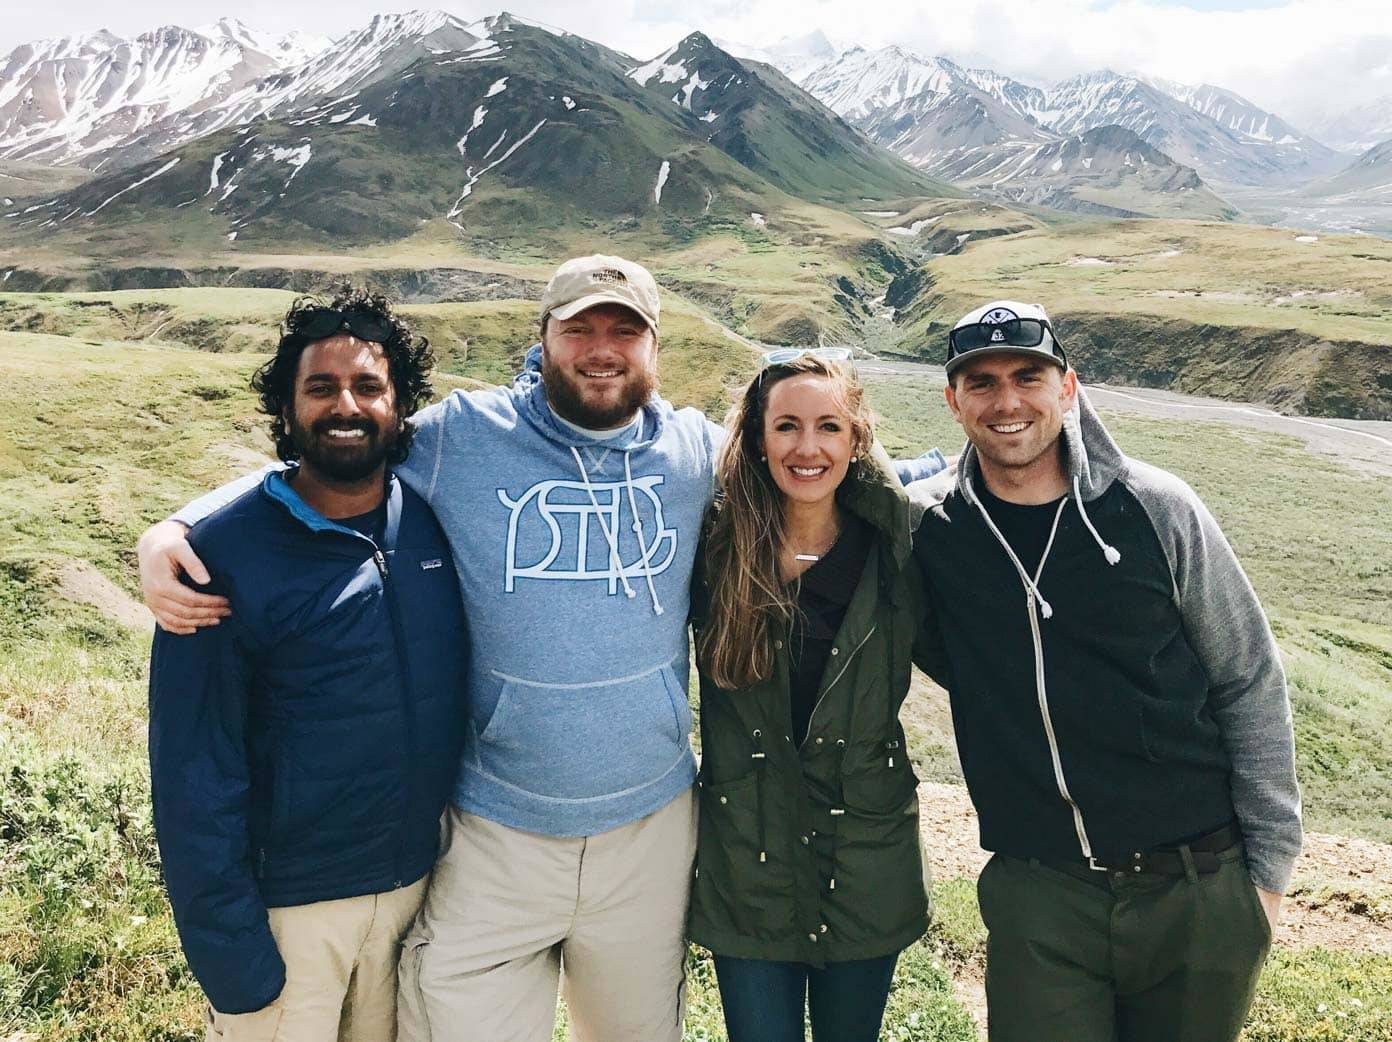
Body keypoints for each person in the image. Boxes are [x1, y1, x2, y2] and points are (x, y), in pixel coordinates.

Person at [137, 256, 946, 1042]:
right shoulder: (464, 437)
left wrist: (968, 466)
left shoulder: (695, 452)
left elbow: (825, 468)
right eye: (580, 329)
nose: (601, 349)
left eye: (623, 331)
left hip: (649, 831)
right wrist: (180, 528)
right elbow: (340, 449)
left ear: (653, 347)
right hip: (497, 831)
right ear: (545, 339)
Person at [907, 300, 1302, 1042]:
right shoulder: (930, 528)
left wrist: (1268, 877)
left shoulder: (1158, 508)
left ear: (1068, 387)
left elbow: (1247, 678)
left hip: (1195, 884)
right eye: (982, 382)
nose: (1007, 401)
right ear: (953, 401)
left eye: (1029, 377)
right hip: (1040, 891)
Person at [147, 289, 466, 1042]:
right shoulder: (221, 559)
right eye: (321, 388)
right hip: (288, 915)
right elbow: (192, 772)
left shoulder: (430, 523)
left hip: (414, 896)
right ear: (287, 411)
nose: (345, 406)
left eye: (367, 386)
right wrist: (233, 958)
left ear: (399, 407)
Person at [689, 350, 937, 1042]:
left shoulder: (899, 547)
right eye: (786, 426)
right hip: (749, 861)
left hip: (865, 860)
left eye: (829, 427)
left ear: (858, 440)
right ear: (757, 438)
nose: (807, 448)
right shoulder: (713, 547)